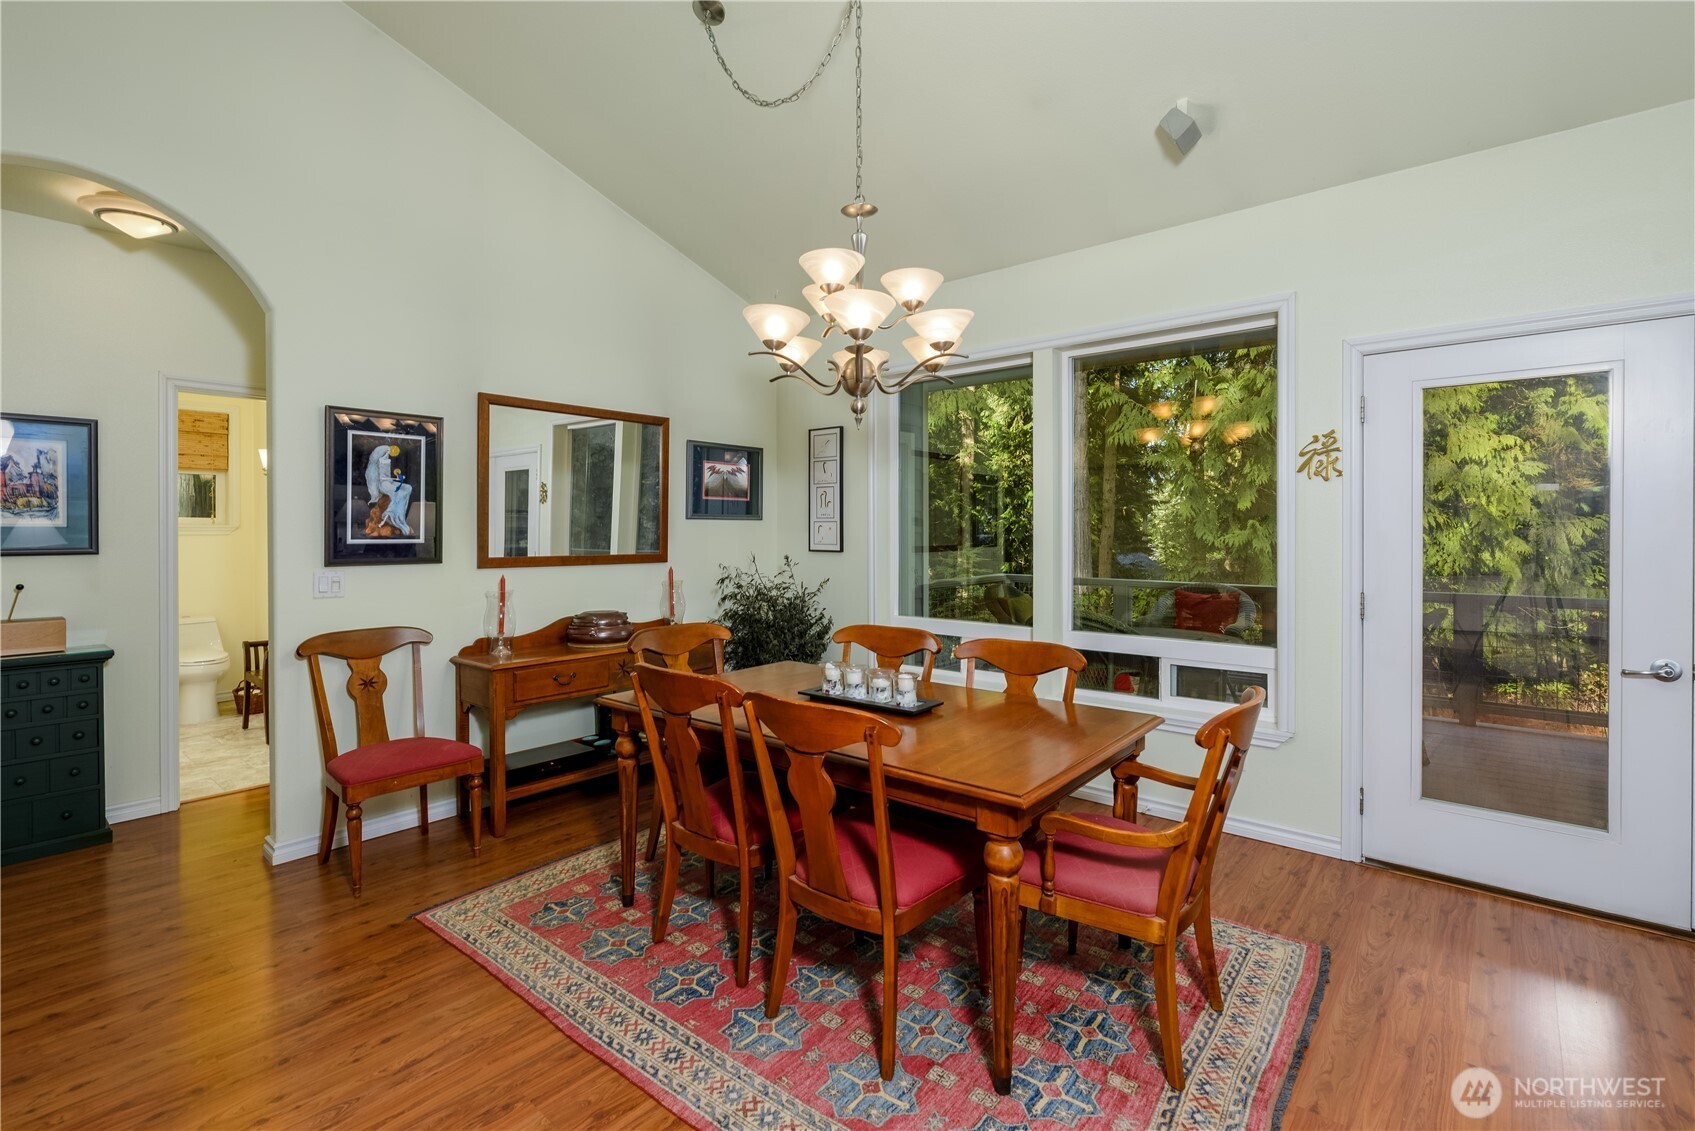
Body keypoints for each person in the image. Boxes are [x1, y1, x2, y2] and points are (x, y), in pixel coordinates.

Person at [364, 442, 413, 536]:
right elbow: (379, 477)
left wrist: (398, 478)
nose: (390, 452)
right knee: (399, 493)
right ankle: (391, 513)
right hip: (384, 484)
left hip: (388, 481)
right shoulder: (377, 461)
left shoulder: (386, 458)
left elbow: (387, 476)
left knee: (408, 488)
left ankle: (397, 514)